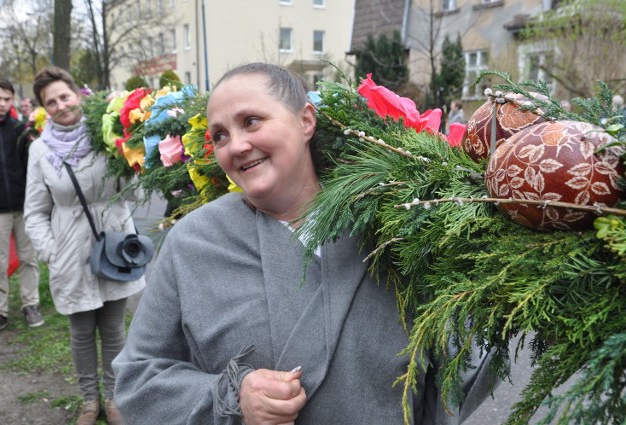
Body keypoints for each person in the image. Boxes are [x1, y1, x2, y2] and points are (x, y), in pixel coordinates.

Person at [112, 63, 494, 424]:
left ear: (306, 120)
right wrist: (230, 397)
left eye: (251, 121)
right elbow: (137, 379)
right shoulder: (192, 244)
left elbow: (453, 368)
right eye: (220, 136)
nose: (237, 145)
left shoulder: (395, 224)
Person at [24, 66, 145, 425]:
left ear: (77, 94)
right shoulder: (40, 151)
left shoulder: (105, 131)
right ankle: (89, 401)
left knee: (113, 329)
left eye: (64, 95)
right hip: (70, 252)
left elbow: (135, 191)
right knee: (80, 332)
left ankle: (114, 399)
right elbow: (34, 212)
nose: (61, 105)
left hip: (115, 246)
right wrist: (51, 251)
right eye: (52, 101)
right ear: (44, 108)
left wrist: (133, 146)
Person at [0, 77, 43, 340]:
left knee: (28, 259)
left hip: (23, 207)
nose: (2, 103)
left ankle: (31, 304)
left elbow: (32, 167)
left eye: (7, 99)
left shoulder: (20, 129)